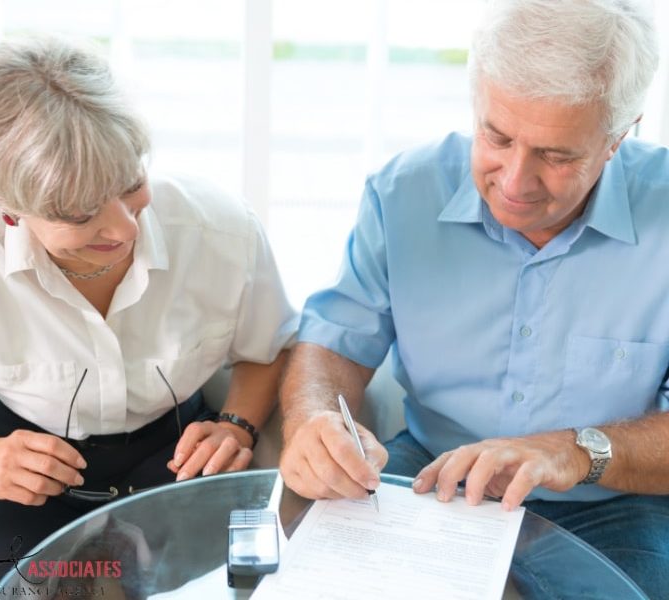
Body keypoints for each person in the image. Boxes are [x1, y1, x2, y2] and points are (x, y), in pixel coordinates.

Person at [0, 36, 296, 594]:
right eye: (79, 212)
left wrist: (237, 423)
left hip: (176, 451)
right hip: (9, 454)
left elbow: (270, 346)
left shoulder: (219, 229)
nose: (123, 229)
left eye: (130, 185)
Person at [279, 0, 669, 596]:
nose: (514, 183)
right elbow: (335, 343)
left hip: (608, 497)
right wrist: (312, 420)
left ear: (619, 138)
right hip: (432, 470)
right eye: (497, 136)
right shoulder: (401, 193)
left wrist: (573, 450)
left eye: (557, 156)